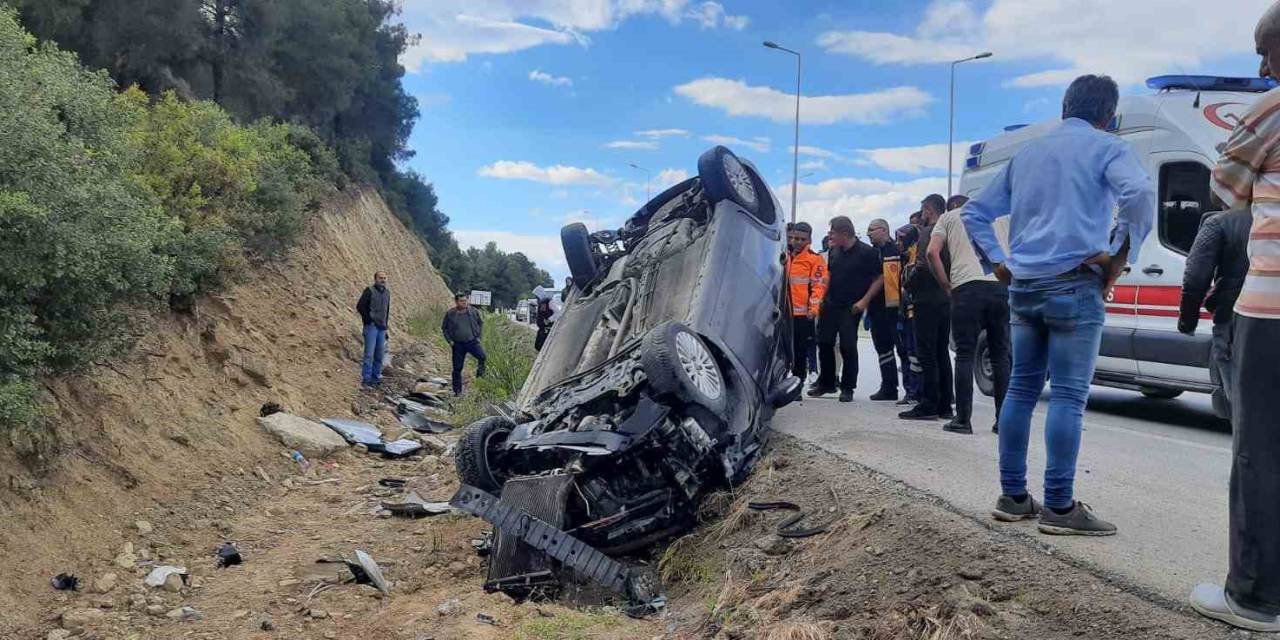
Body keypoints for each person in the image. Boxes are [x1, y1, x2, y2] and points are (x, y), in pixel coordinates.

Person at [963, 74, 1155, 536]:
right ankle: (1060, 507)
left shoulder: (1026, 155)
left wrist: (999, 263)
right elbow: (1141, 194)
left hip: (1024, 287)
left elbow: (974, 211)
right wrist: (1120, 254)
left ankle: (1012, 497)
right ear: (1108, 116)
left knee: (1024, 390)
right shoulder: (1108, 148)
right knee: (1068, 395)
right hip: (1074, 285)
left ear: (1065, 107)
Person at [1189, 4, 1280, 629]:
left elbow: (1228, 190)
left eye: (1266, 52)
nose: (1260, 66)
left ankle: (1256, 596)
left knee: (1260, 452)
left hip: (1271, 310)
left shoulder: (1269, 109)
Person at [929, 195, 1012, 435]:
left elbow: (932, 253)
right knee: (1000, 356)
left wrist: (946, 285)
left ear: (954, 205)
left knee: (964, 354)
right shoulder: (1002, 218)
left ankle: (963, 420)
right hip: (1000, 286)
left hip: (966, 288)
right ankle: (1003, 421)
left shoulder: (948, 217)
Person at [1177, 206, 1250, 419]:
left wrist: (1187, 322)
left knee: (1241, 409)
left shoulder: (1221, 222)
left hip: (1233, 322)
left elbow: (1195, 279)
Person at [810, 216, 882, 403]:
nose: (830, 236)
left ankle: (848, 387)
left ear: (844, 233)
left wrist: (864, 301)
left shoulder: (867, 253)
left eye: (833, 232)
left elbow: (879, 279)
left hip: (852, 306)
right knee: (824, 342)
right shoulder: (834, 251)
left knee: (847, 346)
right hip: (831, 303)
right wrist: (821, 298)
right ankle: (827, 382)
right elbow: (829, 275)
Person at [899, 195, 954, 421]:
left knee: (926, 353)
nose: (922, 216)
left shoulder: (929, 232)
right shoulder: (951, 232)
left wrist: (907, 284)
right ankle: (944, 405)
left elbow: (923, 264)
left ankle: (928, 403)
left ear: (928, 210)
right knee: (941, 352)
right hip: (945, 298)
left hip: (926, 299)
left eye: (923, 211)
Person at [866, 219, 903, 401]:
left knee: (904, 349)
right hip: (877, 309)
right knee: (883, 348)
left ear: (884, 230)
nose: (868, 234)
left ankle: (913, 390)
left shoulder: (896, 251)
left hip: (896, 310)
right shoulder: (872, 254)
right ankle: (889, 386)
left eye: (871, 230)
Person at [787, 222, 827, 383]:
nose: (797, 242)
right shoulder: (784, 256)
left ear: (809, 240)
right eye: (794, 238)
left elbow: (818, 286)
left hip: (801, 314)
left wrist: (813, 309)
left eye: (801, 239)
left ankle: (798, 382)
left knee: (799, 351)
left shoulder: (814, 260)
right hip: (781, 312)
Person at [895, 223, 923, 406]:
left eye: (901, 239)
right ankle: (911, 390)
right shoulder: (903, 257)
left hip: (915, 312)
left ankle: (916, 391)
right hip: (904, 311)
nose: (898, 243)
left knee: (915, 354)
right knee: (906, 352)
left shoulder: (916, 255)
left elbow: (910, 283)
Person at [442, 293, 487, 396]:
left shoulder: (473, 311)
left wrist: (479, 337)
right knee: (457, 368)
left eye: (466, 300)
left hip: (472, 342)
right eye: (462, 301)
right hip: (458, 345)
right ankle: (457, 391)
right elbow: (444, 328)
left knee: (482, 357)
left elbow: (481, 323)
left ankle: (480, 379)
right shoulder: (451, 313)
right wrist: (450, 341)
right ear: (456, 302)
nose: (464, 302)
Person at [355, 271, 391, 387]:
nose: (383, 280)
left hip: (382, 328)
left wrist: (386, 327)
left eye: (385, 278)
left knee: (379, 354)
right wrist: (368, 320)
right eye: (381, 278)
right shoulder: (369, 290)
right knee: (369, 354)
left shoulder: (387, 293)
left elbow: (387, 311)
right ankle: (366, 379)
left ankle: (375, 379)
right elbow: (360, 306)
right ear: (375, 279)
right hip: (371, 327)